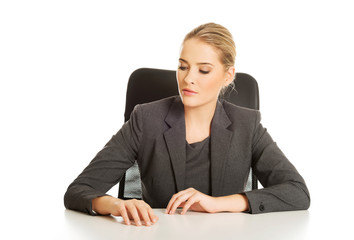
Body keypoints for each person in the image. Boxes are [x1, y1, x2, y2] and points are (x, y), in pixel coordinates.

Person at [64, 23, 310, 227]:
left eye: (203, 70)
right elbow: (79, 190)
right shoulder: (145, 119)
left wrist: (219, 204)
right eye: (182, 67)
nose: (188, 79)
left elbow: (297, 192)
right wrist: (117, 205)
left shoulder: (247, 125)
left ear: (228, 76)